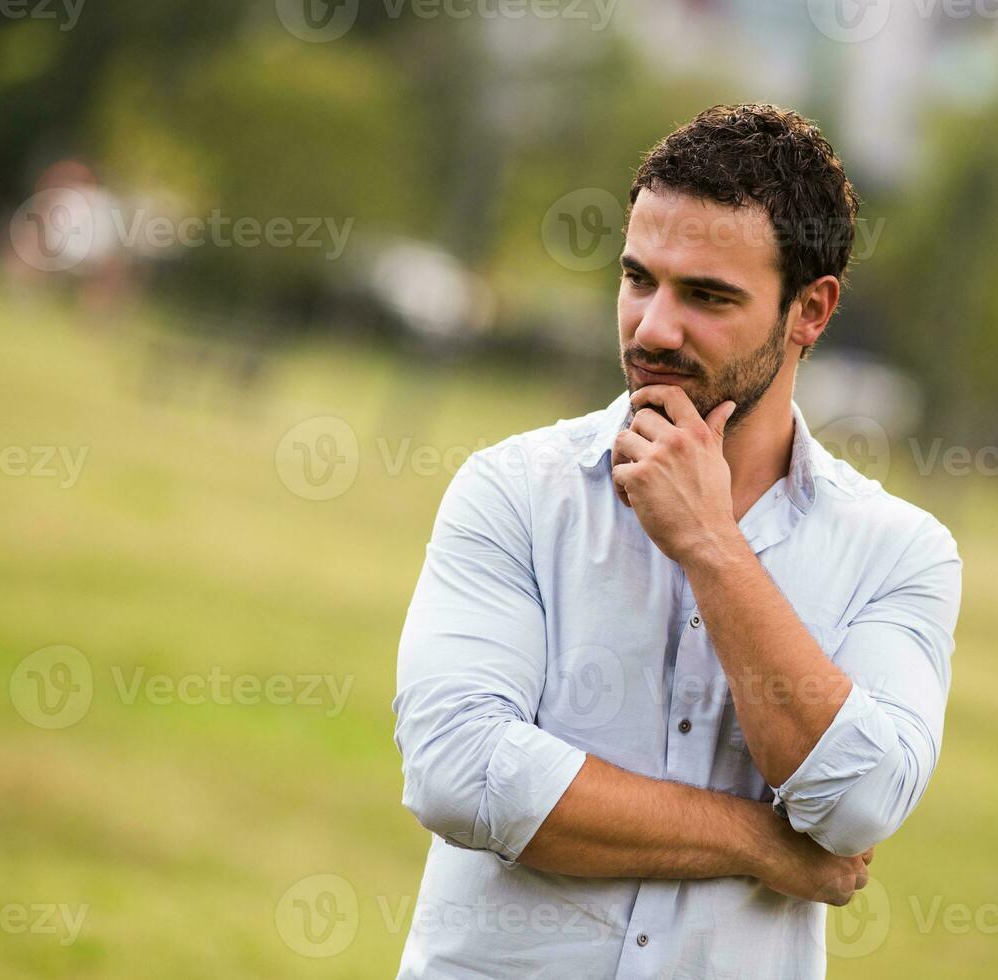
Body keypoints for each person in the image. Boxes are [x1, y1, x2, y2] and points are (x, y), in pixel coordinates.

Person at [392, 103, 962, 979]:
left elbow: (856, 805)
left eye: (706, 295)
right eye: (638, 279)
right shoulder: (514, 492)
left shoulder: (899, 553)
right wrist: (758, 843)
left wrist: (712, 545)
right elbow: (461, 773)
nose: (653, 327)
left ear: (810, 310)